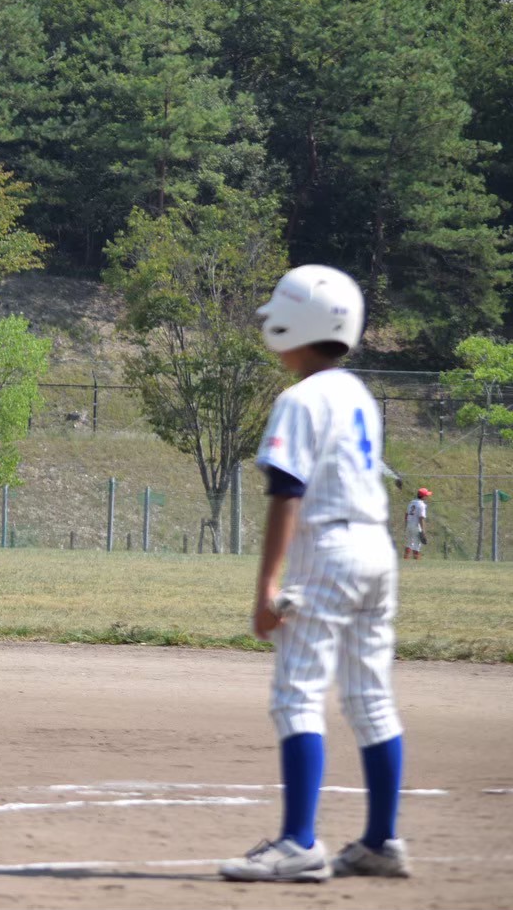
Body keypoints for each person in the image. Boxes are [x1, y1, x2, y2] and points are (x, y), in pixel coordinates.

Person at [220, 265, 409, 883]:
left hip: (326, 550)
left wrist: (266, 589)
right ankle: (381, 841)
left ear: (297, 324)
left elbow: (287, 493)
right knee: (370, 698)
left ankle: (299, 844)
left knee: (297, 693)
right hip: (376, 550)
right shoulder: (358, 394)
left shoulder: (299, 399)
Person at [403, 489, 430, 560]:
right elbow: (421, 518)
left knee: (409, 543)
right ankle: (416, 561)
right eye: (426, 495)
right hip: (416, 526)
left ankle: (406, 559)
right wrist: (423, 531)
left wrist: (406, 526)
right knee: (417, 545)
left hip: (409, 524)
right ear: (423, 496)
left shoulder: (411, 503)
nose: (427, 497)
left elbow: (406, 515)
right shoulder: (422, 505)